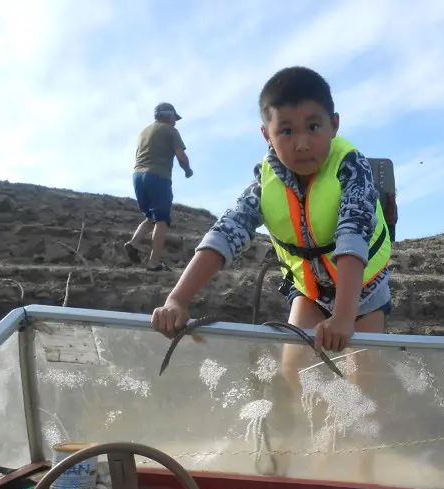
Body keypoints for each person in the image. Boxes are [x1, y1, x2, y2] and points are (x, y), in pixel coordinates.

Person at [151, 66, 392, 382]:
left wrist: (344, 317)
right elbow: (228, 231)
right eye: (287, 131)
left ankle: (358, 431)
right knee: (295, 372)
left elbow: (353, 233)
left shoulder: (351, 167)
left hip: (363, 292)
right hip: (310, 292)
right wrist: (177, 300)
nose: (302, 143)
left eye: (313, 126)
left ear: (334, 125)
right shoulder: (266, 181)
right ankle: (310, 429)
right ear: (267, 135)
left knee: (364, 379)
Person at [125, 102, 193, 272]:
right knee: (162, 220)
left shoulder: (143, 132)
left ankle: (133, 243)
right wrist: (187, 170)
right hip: (158, 176)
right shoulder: (171, 131)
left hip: (137, 176)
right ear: (169, 115)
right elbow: (181, 156)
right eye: (174, 118)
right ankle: (153, 263)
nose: (175, 122)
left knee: (151, 217)